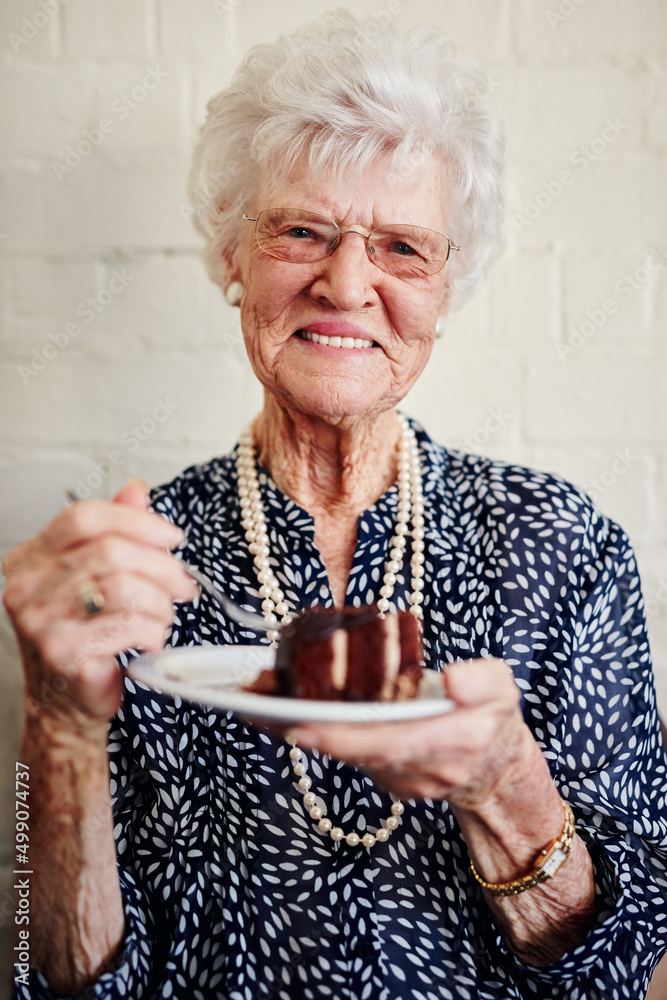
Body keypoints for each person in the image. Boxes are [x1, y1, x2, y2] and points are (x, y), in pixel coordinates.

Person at [4, 10, 667, 1000]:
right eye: (301, 230)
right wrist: (59, 726)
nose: (346, 281)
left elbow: (627, 970)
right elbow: (60, 980)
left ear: (447, 290)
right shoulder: (131, 569)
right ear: (231, 255)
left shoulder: (563, 547)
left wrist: (503, 787)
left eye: (402, 247)